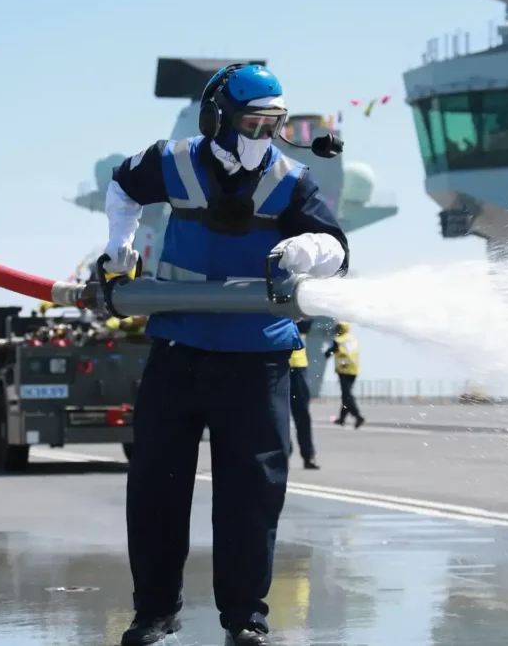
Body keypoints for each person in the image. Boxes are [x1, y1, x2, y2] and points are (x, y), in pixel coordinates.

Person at [102, 63, 349, 646]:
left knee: (252, 495)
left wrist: (305, 247)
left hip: (256, 359)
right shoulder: (173, 160)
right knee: (157, 489)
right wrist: (119, 249)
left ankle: (245, 619)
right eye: (251, 121)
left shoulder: (292, 179)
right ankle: (155, 614)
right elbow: (122, 186)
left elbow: (337, 250)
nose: (262, 134)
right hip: (179, 349)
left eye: (273, 123)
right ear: (217, 118)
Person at [288, 322, 318, 470]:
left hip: (298, 368)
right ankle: (284, 452)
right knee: (277, 414)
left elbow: (306, 323)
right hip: (276, 367)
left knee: (302, 415)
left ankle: (308, 455)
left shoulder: (296, 313)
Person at [325, 322, 364, 428]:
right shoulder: (353, 339)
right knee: (346, 395)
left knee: (347, 395)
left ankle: (357, 416)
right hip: (354, 369)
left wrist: (326, 354)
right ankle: (342, 419)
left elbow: (330, 351)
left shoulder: (339, 340)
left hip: (344, 369)